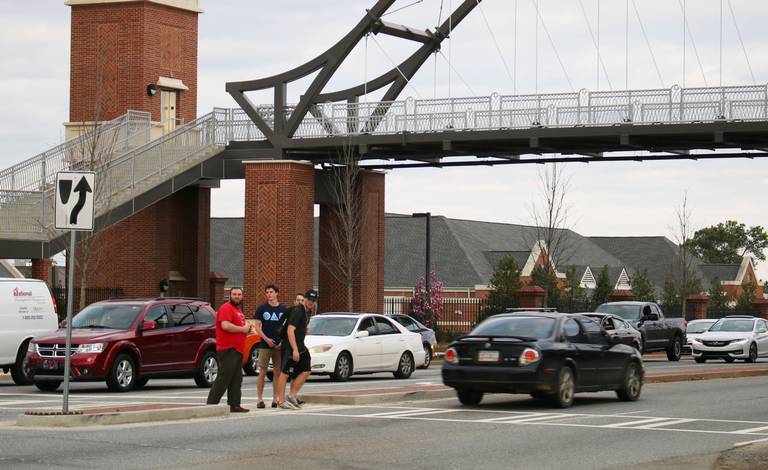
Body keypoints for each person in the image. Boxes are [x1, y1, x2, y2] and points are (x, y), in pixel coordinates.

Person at [206, 287, 255, 413]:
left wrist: (247, 329)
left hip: (238, 349)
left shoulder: (238, 310)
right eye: (234, 294)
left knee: (236, 378)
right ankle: (211, 405)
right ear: (229, 295)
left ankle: (234, 404)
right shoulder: (226, 308)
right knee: (224, 377)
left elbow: (240, 327)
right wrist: (243, 329)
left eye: (239, 294)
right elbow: (225, 325)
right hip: (228, 348)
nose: (237, 296)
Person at [276, 289, 317, 410]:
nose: (311, 302)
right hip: (290, 346)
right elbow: (290, 330)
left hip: (300, 345)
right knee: (284, 373)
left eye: (313, 300)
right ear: (304, 299)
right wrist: (294, 350)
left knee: (306, 370)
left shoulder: (308, 311)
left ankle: (292, 395)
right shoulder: (298, 311)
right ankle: (281, 400)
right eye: (309, 299)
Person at [253, 284, 287, 409]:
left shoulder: (283, 310)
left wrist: (282, 342)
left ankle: (275, 398)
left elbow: (286, 328)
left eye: (271, 292)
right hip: (265, 345)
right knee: (262, 371)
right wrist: (266, 339)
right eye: (267, 292)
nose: (269, 294)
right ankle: (259, 399)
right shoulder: (262, 309)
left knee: (277, 372)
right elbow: (257, 326)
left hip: (279, 346)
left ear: (277, 293)